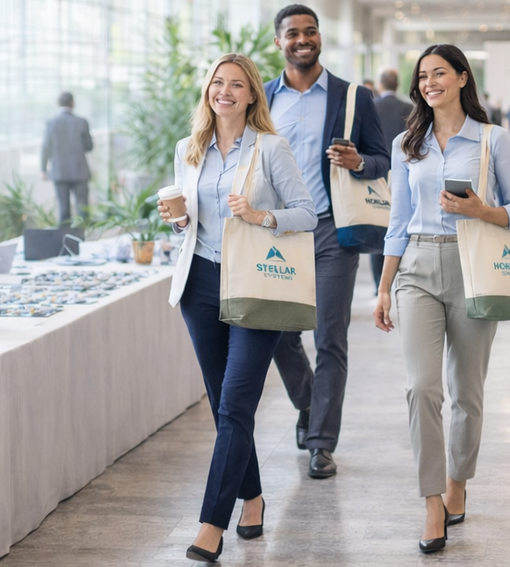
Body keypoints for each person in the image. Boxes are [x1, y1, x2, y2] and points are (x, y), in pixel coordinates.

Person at [373, 43, 510, 555]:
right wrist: (383, 286)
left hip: (472, 267)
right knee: (422, 388)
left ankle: (459, 482)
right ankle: (432, 502)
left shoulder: (493, 139)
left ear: (463, 77)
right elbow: (397, 221)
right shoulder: (406, 143)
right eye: (423, 76)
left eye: (439, 73)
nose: (429, 82)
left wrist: (484, 211)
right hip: (416, 268)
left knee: (467, 390)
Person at [161, 53, 317, 562]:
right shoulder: (189, 148)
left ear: (252, 94)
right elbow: (190, 222)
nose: (224, 91)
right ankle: (252, 498)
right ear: (208, 91)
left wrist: (260, 215)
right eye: (217, 83)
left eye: (236, 85)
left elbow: (308, 214)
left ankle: (211, 523)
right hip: (200, 285)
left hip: (257, 284)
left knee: (235, 404)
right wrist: (179, 219)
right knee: (224, 405)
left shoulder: (271, 148)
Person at [265, 4, 390, 480]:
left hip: (331, 231)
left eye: (310, 31)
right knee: (277, 330)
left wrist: (360, 162)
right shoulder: (264, 99)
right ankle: (308, 404)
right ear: (279, 42)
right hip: (276, 230)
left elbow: (383, 160)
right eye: (293, 33)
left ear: (320, 38)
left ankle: (321, 442)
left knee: (330, 338)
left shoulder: (352, 96)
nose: (303, 39)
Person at [369, 67, 415, 295]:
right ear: (397, 85)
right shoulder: (409, 109)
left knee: (380, 227)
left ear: (380, 85)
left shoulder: (372, 107)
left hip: (377, 176)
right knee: (402, 223)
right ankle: (403, 278)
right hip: (404, 174)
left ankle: (380, 282)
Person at [41, 92, 94, 225]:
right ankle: (84, 241)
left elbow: (46, 147)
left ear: (58, 104)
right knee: (82, 209)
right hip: (80, 171)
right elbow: (89, 146)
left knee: (63, 210)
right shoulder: (81, 121)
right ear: (72, 103)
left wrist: (43, 169)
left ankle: (65, 242)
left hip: (59, 171)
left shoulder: (51, 123)